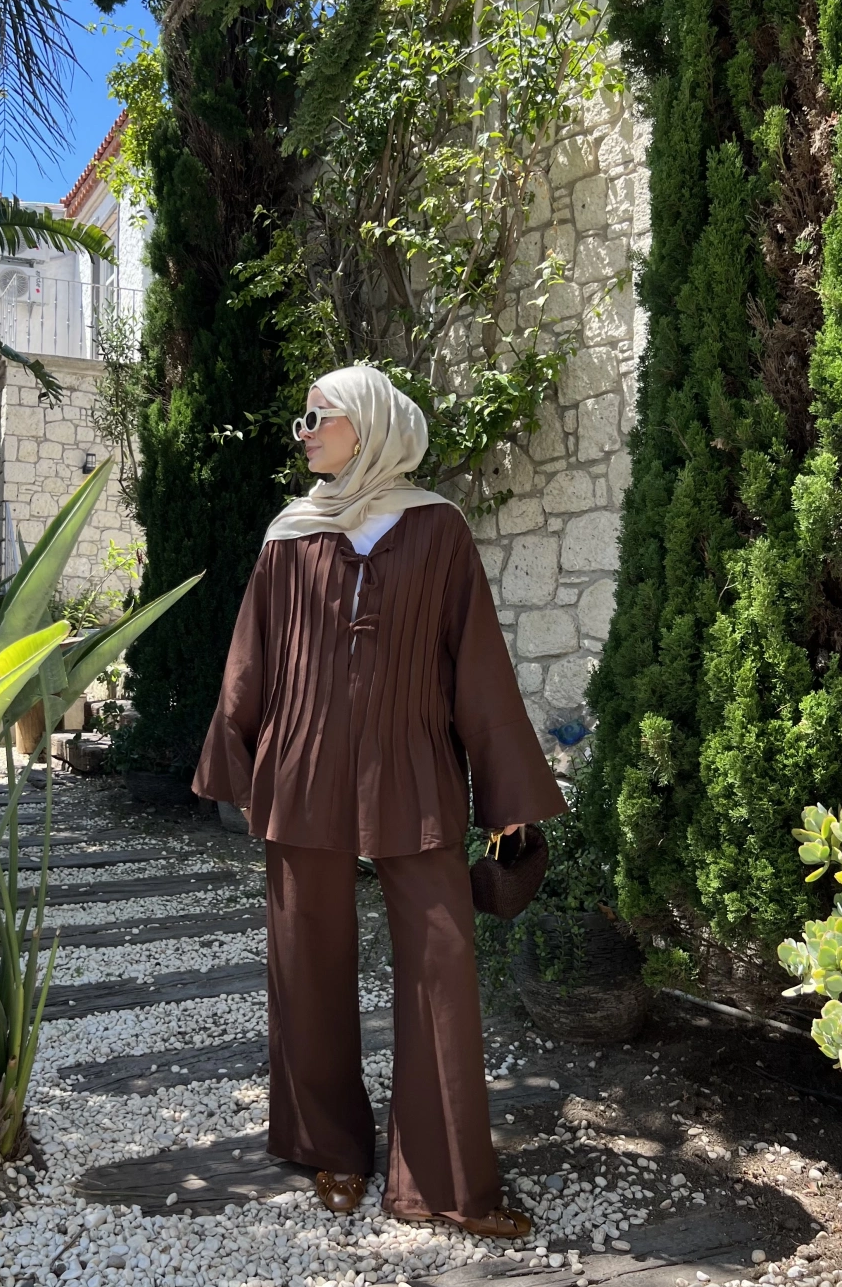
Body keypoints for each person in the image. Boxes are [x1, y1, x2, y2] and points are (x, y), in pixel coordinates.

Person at [194, 365, 566, 1237]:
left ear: (368, 423)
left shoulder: (438, 529)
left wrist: (505, 794)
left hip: (416, 765)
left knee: (442, 959)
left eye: (317, 417)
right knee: (306, 961)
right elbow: (252, 655)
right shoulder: (290, 535)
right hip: (305, 767)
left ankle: (442, 1179)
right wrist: (235, 759)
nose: (304, 432)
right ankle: (331, 1146)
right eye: (302, 418)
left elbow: (478, 663)